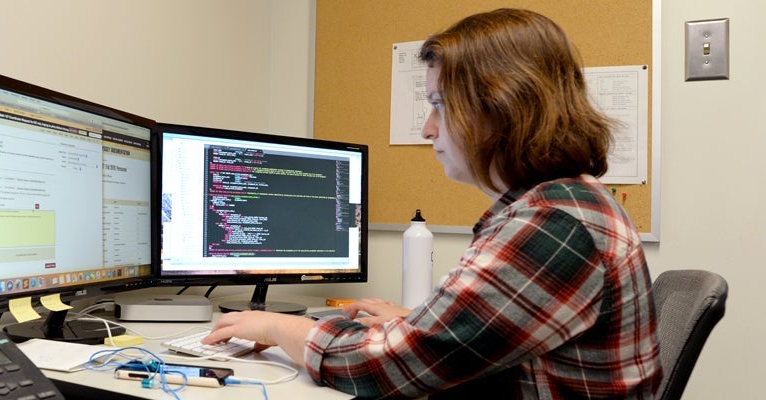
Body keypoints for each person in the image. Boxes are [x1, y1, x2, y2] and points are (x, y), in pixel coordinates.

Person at [202, 8, 661, 399]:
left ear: (503, 105)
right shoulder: (562, 204)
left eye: (441, 104)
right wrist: (419, 322)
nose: (427, 129)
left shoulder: (552, 225)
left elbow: (387, 368)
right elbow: (482, 337)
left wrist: (276, 327)